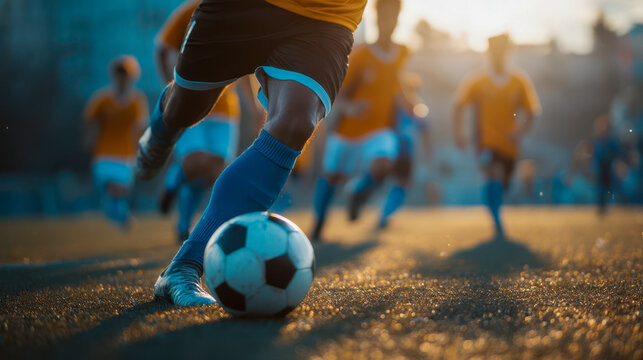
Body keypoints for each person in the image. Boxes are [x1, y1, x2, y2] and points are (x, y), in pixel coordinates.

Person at [136, 0, 367, 306]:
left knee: (295, 123)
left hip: (327, 16)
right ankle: (164, 128)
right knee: (185, 108)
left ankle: (184, 266)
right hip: (243, 7)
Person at [310, 0, 407, 240]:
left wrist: (410, 105)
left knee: (383, 165)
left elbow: (396, 84)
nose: (388, 22)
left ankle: (357, 193)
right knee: (332, 176)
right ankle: (318, 225)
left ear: (398, 19)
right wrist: (349, 107)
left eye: (393, 17)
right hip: (348, 131)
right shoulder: (361, 53)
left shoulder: (402, 52)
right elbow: (338, 92)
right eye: (384, 16)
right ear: (375, 18)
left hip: (379, 129)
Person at [154, 0, 246, 243]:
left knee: (214, 172)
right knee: (194, 162)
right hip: (190, 101)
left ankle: (185, 227)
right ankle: (173, 183)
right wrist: (170, 86)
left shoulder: (239, 13)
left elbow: (247, 60)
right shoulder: (190, 11)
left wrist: (254, 104)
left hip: (226, 109)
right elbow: (161, 47)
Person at [453, 33, 541, 240]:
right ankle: (496, 221)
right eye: (495, 50)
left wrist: (519, 132)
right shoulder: (477, 81)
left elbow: (533, 111)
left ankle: (495, 205)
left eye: (503, 50)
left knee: (503, 183)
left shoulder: (519, 81)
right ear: (489, 53)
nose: (498, 55)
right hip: (485, 142)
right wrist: (460, 132)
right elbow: (458, 105)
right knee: (493, 173)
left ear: (509, 52)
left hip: (509, 145)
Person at [84, 56, 148, 228]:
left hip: (126, 154)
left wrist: (142, 150)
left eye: (126, 75)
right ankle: (120, 214)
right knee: (114, 186)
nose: (122, 79)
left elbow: (140, 128)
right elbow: (90, 122)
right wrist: (90, 145)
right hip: (104, 153)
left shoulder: (136, 101)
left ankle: (116, 212)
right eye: (120, 74)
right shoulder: (102, 99)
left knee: (121, 190)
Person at [378, 73, 430, 229]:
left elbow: (425, 129)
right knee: (401, 183)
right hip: (397, 150)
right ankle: (385, 214)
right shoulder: (400, 106)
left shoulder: (417, 107)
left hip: (404, 152)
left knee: (402, 184)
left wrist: (427, 151)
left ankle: (385, 214)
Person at [591, 114, 621, 214]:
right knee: (600, 188)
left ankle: (607, 206)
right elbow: (593, 154)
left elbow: (617, 152)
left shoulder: (610, 140)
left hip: (608, 168)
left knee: (608, 187)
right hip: (599, 168)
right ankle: (601, 207)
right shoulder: (596, 140)